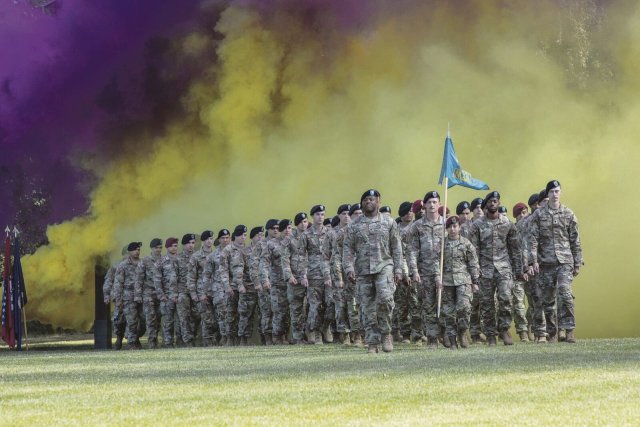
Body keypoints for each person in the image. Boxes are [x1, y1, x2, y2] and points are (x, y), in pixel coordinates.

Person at [343, 189, 403, 354]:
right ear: (362, 204)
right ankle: (372, 342)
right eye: (365, 200)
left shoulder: (389, 222)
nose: (368, 202)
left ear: (378, 201)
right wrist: (348, 268)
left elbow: (396, 247)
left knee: (385, 299)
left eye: (372, 199)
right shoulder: (354, 226)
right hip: (362, 270)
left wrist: (398, 269)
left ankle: (386, 333)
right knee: (367, 308)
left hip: (384, 266)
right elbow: (348, 249)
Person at [468, 191, 525, 346]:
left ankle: (504, 330)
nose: (493, 203)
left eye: (495, 201)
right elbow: (473, 250)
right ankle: (490, 334)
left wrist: (519, 270)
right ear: (486, 204)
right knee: (487, 304)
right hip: (484, 269)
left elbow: (515, 248)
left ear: (499, 203)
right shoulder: (477, 225)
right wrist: (475, 271)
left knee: (506, 298)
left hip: (504, 268)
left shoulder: (507, 224)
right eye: (490, 201)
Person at [529, 180, 583, 343]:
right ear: (547, 194)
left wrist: (578, 261)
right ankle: (552, 332)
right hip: (545, 262)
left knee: (565, 292)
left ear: (561, 193)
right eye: (552, 191)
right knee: (548, 300)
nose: (555, 194)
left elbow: (575, 240)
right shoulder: (539, 215)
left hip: (564, 261)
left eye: (557, 191)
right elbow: (533, 239)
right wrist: (533, 260)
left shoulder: (568, 214)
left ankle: (569, 330)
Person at [407, 191, 445, 349]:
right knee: (428, 305)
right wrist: (414, 271)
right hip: (425, 271)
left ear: (439, 204)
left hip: (444, 271)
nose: (432, 205)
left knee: (445, 304)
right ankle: (432, 338)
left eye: (435, 202)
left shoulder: (447, 224)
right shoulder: (417, 226)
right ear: (424, 205)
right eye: (429, 202)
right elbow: (412, 250)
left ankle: (446, 334)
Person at [441, 216, 480, 349]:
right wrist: (437, 280)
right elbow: (436, 263)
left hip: (463, 281)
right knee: (449, 312)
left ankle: (462, 333)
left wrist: (475, 281)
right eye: (450, 227)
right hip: (446, 282)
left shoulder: (466, 244)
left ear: (459, 227)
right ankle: (452, 340)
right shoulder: (441, 244)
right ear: (446, 229)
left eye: (455, 226)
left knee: (464, 308)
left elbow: (473, 263)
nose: (452, 229)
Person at [299, 205, 332, 344]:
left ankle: (325, 327)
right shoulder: (306, 235)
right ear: (313, 216)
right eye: (318, 214)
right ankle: (315, 331)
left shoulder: (330, 233)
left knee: (331, 302)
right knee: (315, 305)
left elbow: (334, 253)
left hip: (328, 274)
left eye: (323, 214)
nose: (321, 217)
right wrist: (303, 274)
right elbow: (301, 256)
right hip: (313, 274)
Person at [393, 201, 421, 344]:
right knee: (402, 304)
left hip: (417, 267)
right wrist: (404, 272)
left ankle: (417, 334)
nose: (410, 213)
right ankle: (405, 334)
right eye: (407, 211)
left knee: (416, 303)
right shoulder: (396, 229)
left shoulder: (417, 227)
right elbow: (398, 253)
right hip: (401, 269)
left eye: (411, 210)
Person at [112, 242, 145, 350]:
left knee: (144, 321)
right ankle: (131, 343)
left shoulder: (143, 263)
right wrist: (118, 299)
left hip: (142, 296)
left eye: (139, 250)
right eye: (135, 250)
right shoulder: (123, 265)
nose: (137, 252)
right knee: (132, 321)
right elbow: (118, 283)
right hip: (128, 297)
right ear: (130, 252)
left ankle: (136, 338)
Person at [188, 231, 216, 346]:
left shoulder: (216, 254)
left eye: (211, 239)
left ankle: (215, 340)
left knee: (216, 316)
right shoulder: (196, 256)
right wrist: (193, 293)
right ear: (203, 241)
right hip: (202, 291)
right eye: (207, 239)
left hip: (215, 290)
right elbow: (191, 276)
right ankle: (206, 342)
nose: (210, 241)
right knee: (205, 317)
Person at [284, 213, 309, 344]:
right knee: (296, 308)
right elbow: (285, 259)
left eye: (305, 222)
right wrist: (289, 276)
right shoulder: (289, 239)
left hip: (311, 277)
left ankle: (311, 335)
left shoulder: (311, 235)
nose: (303, 224)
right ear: (296, 224)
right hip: (295, 279)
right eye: (301, 222)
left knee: (311, 307)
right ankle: (298, 337)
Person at [204, 229, 232, 345]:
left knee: (234, 313)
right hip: (219, 288)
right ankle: (225, 336)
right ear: (219, 240)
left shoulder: (236, 252)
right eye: (222, 238)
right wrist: (206, 290)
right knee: (222, 313)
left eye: (227, 238)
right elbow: (207, 274)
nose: (225, 240)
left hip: (233, 286)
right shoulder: (212, 255)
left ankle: (233, 337)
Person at [135, 238, 163, 349]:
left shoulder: (164, 260)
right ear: (152, 248)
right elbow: (139, 278)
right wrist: (138, 295)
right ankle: (152, 342)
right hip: (148, 294)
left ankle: (155, 338)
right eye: (156, 247)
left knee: (158, 318)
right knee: (150, 318)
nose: (159, 250)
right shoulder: (145, 261)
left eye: (160, 247)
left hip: (160, 294)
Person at [155, 237, 179, 347]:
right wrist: (161, 295)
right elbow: (157, 280)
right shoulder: (161, 262)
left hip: (180, 295)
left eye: (176, 245)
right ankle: (168, 343)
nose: (175, 248)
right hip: (167, 296)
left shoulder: (181, 259)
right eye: (173, 246)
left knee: (181, 321)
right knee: (168, 321)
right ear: (167, 247)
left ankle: (181, 342)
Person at [512, 203, 531, 342]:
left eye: (525, 213)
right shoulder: (511, 231)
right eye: (520, 214)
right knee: (518, 303)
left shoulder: (533, 229)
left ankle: (532, 328)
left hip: (532, 271)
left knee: (535, 303)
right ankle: (523, 331)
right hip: (517, 273)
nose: (523, 216)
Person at [103, 247, 128, 350]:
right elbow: (108, 281)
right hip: (119, 298)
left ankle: (133, 340)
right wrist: (107, 295)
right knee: (118, 320)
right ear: (123, 254)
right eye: (127, 253)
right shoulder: (116, 266)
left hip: (133, 297)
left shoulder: (138, 265)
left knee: (135, 320)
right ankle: (119, 338)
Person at [176, 234, 197, 346]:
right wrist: (175, 294)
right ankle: (187, 341)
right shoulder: (177, 259)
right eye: (188, 243)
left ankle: (192, 337)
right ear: (183, 245)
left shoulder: (197, 257)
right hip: (182, 292)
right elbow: (174, 278)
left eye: (193, 243)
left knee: (196, 316)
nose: (191, 245)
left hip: (195, 292)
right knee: (183, 317)